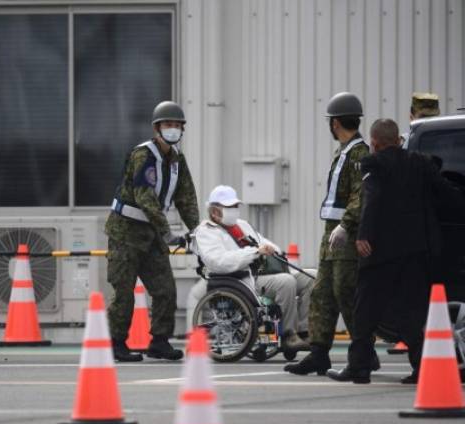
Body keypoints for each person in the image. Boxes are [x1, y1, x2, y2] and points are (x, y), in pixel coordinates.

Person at [327, 119, 465, 384]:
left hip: (380, 251)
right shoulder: (421, 163)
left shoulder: (373, 164)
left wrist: (363, 235)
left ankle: (359, 367)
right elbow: (446, 192)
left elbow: (372, 198)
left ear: (375, 142)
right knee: (411, 311)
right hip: (416, 251)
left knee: (365, 309)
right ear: (397, 140)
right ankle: (420, 369)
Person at [285, 92, 375, 375]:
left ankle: (365, 352)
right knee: (322, 294)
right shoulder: (344, 151)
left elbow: (361, 195)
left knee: (346, 294)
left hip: (347, 236)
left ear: (335, 122)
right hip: (332, 234)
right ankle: (319, 353)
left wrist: (346, 225)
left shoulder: (360, 153)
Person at [105, 101, 199, 362]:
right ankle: (116, 342)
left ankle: (159, 341)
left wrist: (199, 231)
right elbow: (144, 197)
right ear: (157, 128)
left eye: (177, 125)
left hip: (152, 234)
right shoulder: (143, 155)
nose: (173, 129)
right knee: (124, 291)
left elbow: (186, 198)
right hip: (125, 232)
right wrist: (167, 232)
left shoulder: (178, 160)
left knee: (165, 289)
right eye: (168, 124)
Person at [188, 185, 315, 352]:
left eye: (235, 206)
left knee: (312, 277)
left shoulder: (242, 225)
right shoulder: (206, 232)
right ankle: (288, 335)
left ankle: (305, 331)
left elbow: (263, 242)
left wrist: (272, 250)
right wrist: (254, 252)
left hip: (262, 272)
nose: (234, 210)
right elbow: (218, 261)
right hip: (240, 278)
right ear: (214, 211)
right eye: (229, 207)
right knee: (286, 282)